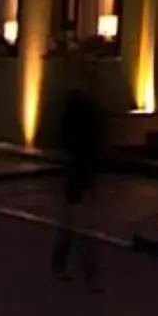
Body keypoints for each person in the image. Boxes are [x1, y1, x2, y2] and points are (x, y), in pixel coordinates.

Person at [44, 74, 106, 288]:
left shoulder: (76, 109)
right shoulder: (82, 110)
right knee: (80, 225)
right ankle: (86, 273)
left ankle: (64, 266)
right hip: (81, 170)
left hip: (80, 170)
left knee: (73, 224)